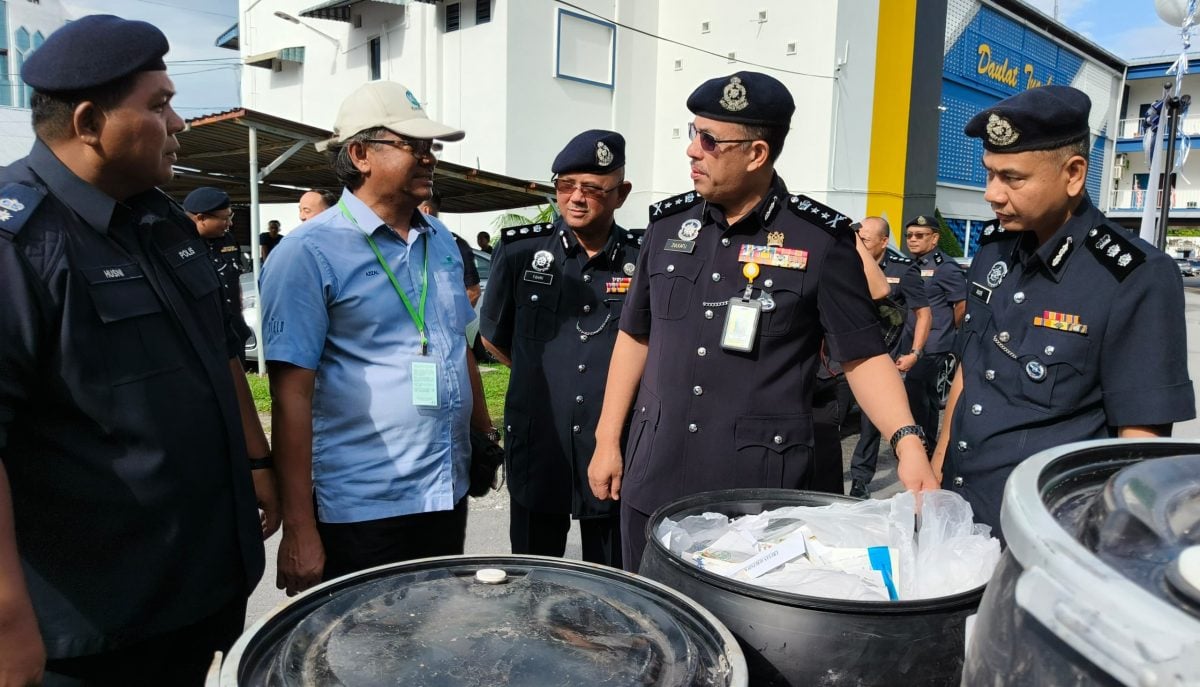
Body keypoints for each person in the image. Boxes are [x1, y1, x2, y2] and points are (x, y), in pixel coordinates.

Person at [0, 15, 278, 685]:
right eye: (159, 105)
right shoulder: (21, 244)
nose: (179, 122)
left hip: (199, 588)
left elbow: (219, 355)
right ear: (91, 122)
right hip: (100, 624)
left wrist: (256, 461)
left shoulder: (159, 220)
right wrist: (8, 623)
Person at [587, 71, 938, 572]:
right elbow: (634, 335)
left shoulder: (820, 241)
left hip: (756, 498)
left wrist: (907, 442)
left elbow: (861, 354)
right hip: (655, 473)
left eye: (709, 140)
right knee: (651, 627)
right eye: (693, 133)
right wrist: (607, 440)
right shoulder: (666, 229)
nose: (692, 150)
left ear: (756, 154)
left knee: (748, 642)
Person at [262, 80, 494, 596]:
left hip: (443, 492)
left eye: (432, 148)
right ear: (360, 154)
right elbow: (290, 397)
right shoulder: (308, 254)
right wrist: (300, 529)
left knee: (431, 640)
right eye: (415, 147)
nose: (430, 159)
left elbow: (455, 344)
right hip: (362, 505)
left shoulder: (440, 242)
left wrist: (483, 434)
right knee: (360, 659)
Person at [934, 85, 1195, 538]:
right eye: (989, 174)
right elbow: (969, 371)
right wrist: (938, 476)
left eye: (1012, 178)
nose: (991, 195)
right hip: (958, 513)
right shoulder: (994, 254)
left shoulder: (1134, 276)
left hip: (1045, 534)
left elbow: (1142, 438)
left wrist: (1110, 549)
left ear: (1073, 174)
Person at [480, 130, 637, 568]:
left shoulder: (642, 261)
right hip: (539, 438)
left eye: (592, 188)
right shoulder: (520, 252)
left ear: (621, 194)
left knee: (612, 574)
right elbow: (494, 336)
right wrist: (544, 374)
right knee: (533, 572)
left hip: (609, 442)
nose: (576, 199)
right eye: (565, 186)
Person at [848, 216, 932, 498]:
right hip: (842, 359)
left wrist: (915, 353)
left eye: (866, 239)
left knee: (871, 424)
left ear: (884, 242)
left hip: (882, 357)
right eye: (857, 237)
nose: (860, 242)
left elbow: (923, 314)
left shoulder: (903, 272)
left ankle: (860, 481)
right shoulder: (846, 264)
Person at [902, 214, 966, 446]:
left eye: (920, 235)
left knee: (915, 391)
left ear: (935, 238)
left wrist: (949, 330)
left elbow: (961, 305)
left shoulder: (945, 267)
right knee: (927, 395)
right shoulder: (914, 265)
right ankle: (928, 442)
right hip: (913, 339)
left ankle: (920, 442)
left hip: (934, 342)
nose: (913, 240)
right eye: (909, 235)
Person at [185, 186, 252, 364]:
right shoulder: (179, 246)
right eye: (224, 218)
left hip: (233, 331)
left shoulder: (228, 240)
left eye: (231, 216)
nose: (229, 223)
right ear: (201, 218)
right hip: (202, 337)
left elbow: (233, 277)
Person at [419, 191, 481, 307]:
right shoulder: (408, 243)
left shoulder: (455, 244)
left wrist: (451, 323)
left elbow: (473, 292)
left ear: (425, 211)